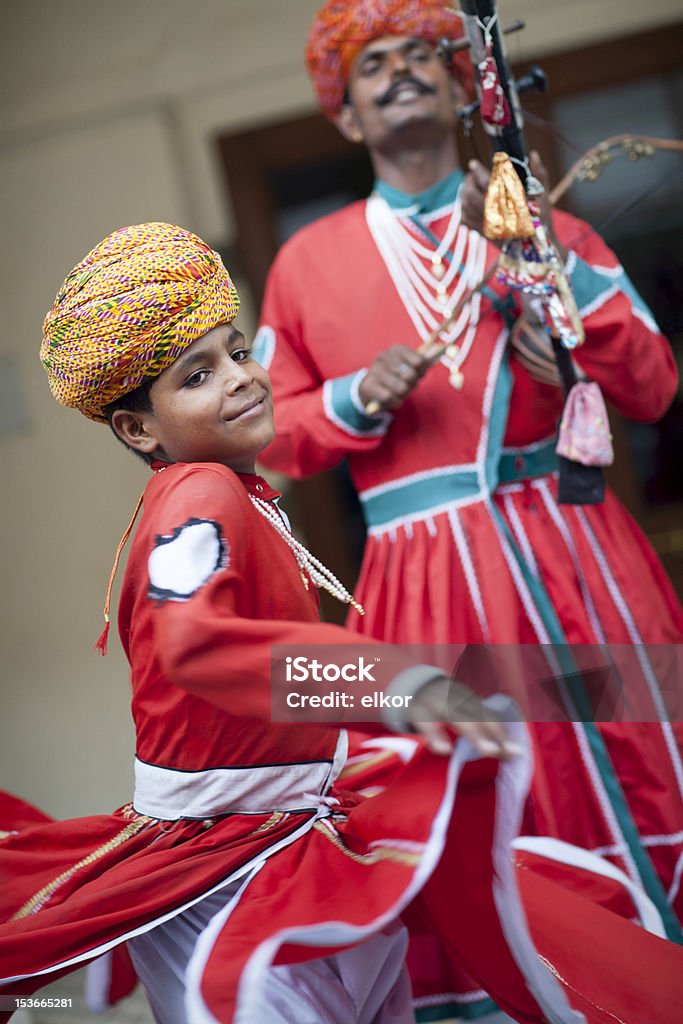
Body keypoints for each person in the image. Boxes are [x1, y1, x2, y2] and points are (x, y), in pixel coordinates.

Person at [2, 222, 683, 1024]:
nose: (240, 380)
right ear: (137, 428)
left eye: (238, 352)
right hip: (225, 863)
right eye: (197, 375)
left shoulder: (234, 494)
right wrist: (397, 685)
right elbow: (198, 643)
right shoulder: (199, 495)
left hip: (280, 833)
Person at [253, 0, 683, 1009]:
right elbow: (267, 434)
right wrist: (354, 399)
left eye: (419, 57)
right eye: (372, 68)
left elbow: (656, 383)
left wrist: (573, 346)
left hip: (576, 557)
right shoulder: (304, 263)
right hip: (420, 575)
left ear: (461, 90)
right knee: (478, 790)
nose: (399, 72)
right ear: (348, 118)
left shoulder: (547, 225)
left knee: (627, 760)